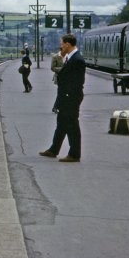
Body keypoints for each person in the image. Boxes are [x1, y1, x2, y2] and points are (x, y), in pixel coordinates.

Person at [39, 33, 86, 162]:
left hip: (70, 98)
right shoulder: (71, 58)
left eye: (62, 44)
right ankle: (53, 150)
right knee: (61, 124)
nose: (61, 47)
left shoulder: (77, 60)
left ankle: (75, 154)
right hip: (65, 97)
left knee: (72, 126)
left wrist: (67, 97)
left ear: (67, 44)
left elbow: (76, 83)